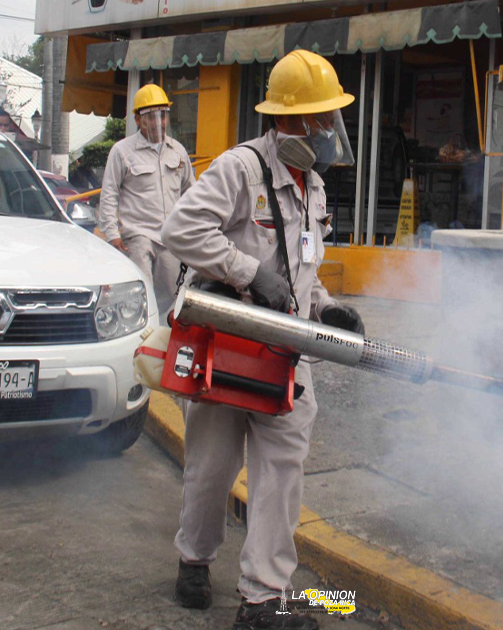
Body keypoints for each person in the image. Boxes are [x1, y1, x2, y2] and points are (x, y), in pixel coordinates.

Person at [160, 50, 364, 630]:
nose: (330, 131)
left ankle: (261, 599)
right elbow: (180, 230)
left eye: (333, 120)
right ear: (291, 120)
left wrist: (328, 307)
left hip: (286, 357)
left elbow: (303, 271)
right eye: (323, 119)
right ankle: (193, 562)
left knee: (280, 472)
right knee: (212, 466)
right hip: (229, 349)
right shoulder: (239, 170)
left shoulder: (314, 187)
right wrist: (248, 272)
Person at [97, 84, 195, 314]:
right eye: (150, 117)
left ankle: (163, 340)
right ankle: (139, 342)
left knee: (173, 298)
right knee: (141, 296)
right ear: (138, 120)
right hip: (138, 236)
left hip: (170, 237)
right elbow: (109, 194)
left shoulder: (177, 151)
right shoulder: (122, 151)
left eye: (162, 115)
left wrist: (193, 230)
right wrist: (112, 235)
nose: (157, 122)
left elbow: (191, 193)